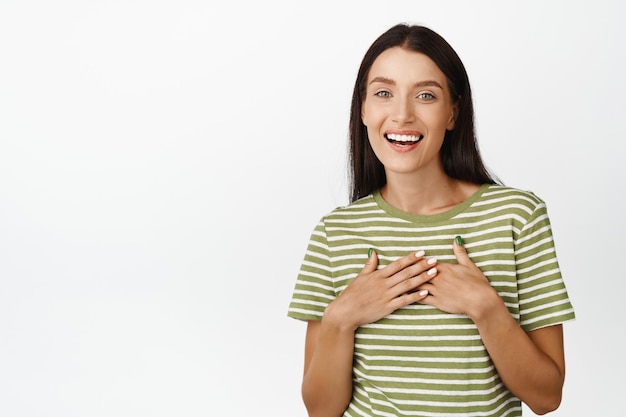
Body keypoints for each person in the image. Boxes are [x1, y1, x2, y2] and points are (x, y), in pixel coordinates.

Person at [287, 23, 575, 417]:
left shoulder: (517, 217)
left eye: (425, 95)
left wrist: (486, 308)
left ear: (453, 111)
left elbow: (547, 398)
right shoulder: (335, 233)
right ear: (364, 110)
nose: (402, 114)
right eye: (384, 93)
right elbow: (321, 410)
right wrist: (340, 318)